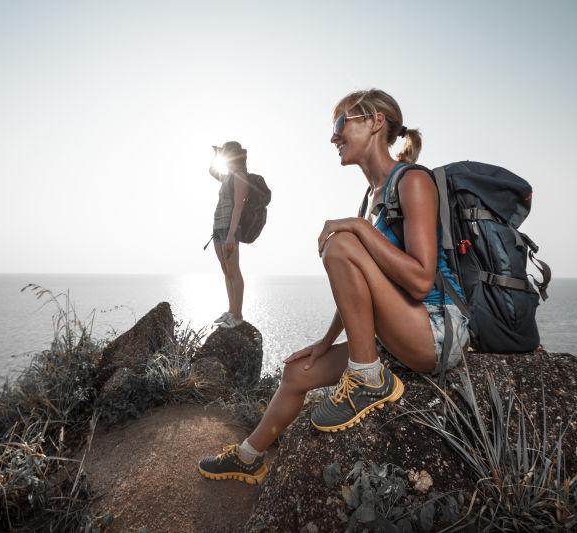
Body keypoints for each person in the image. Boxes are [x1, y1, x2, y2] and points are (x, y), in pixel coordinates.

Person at [198, 89, 470, 484]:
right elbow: (360, 292)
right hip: (399, 335)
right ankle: (248, 457)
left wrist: (356, 228)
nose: (333, 137)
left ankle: (367, 378)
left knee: (339, 240)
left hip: (435, 333)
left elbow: (421, 278)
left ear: (375, 122)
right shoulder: (371, 200)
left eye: (342, 123)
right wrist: (324, 343)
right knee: (296, 374)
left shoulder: (412, 181)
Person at [209, 141, 249, 329]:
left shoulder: (240, 176)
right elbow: (212, 171)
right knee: (226, 271)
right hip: (218, 227)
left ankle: (237, 315)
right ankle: (231, 311)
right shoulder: (228, 177)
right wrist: (217, 155)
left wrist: (232, 234)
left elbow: (239, 207)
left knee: (234, 271)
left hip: (229, 229)